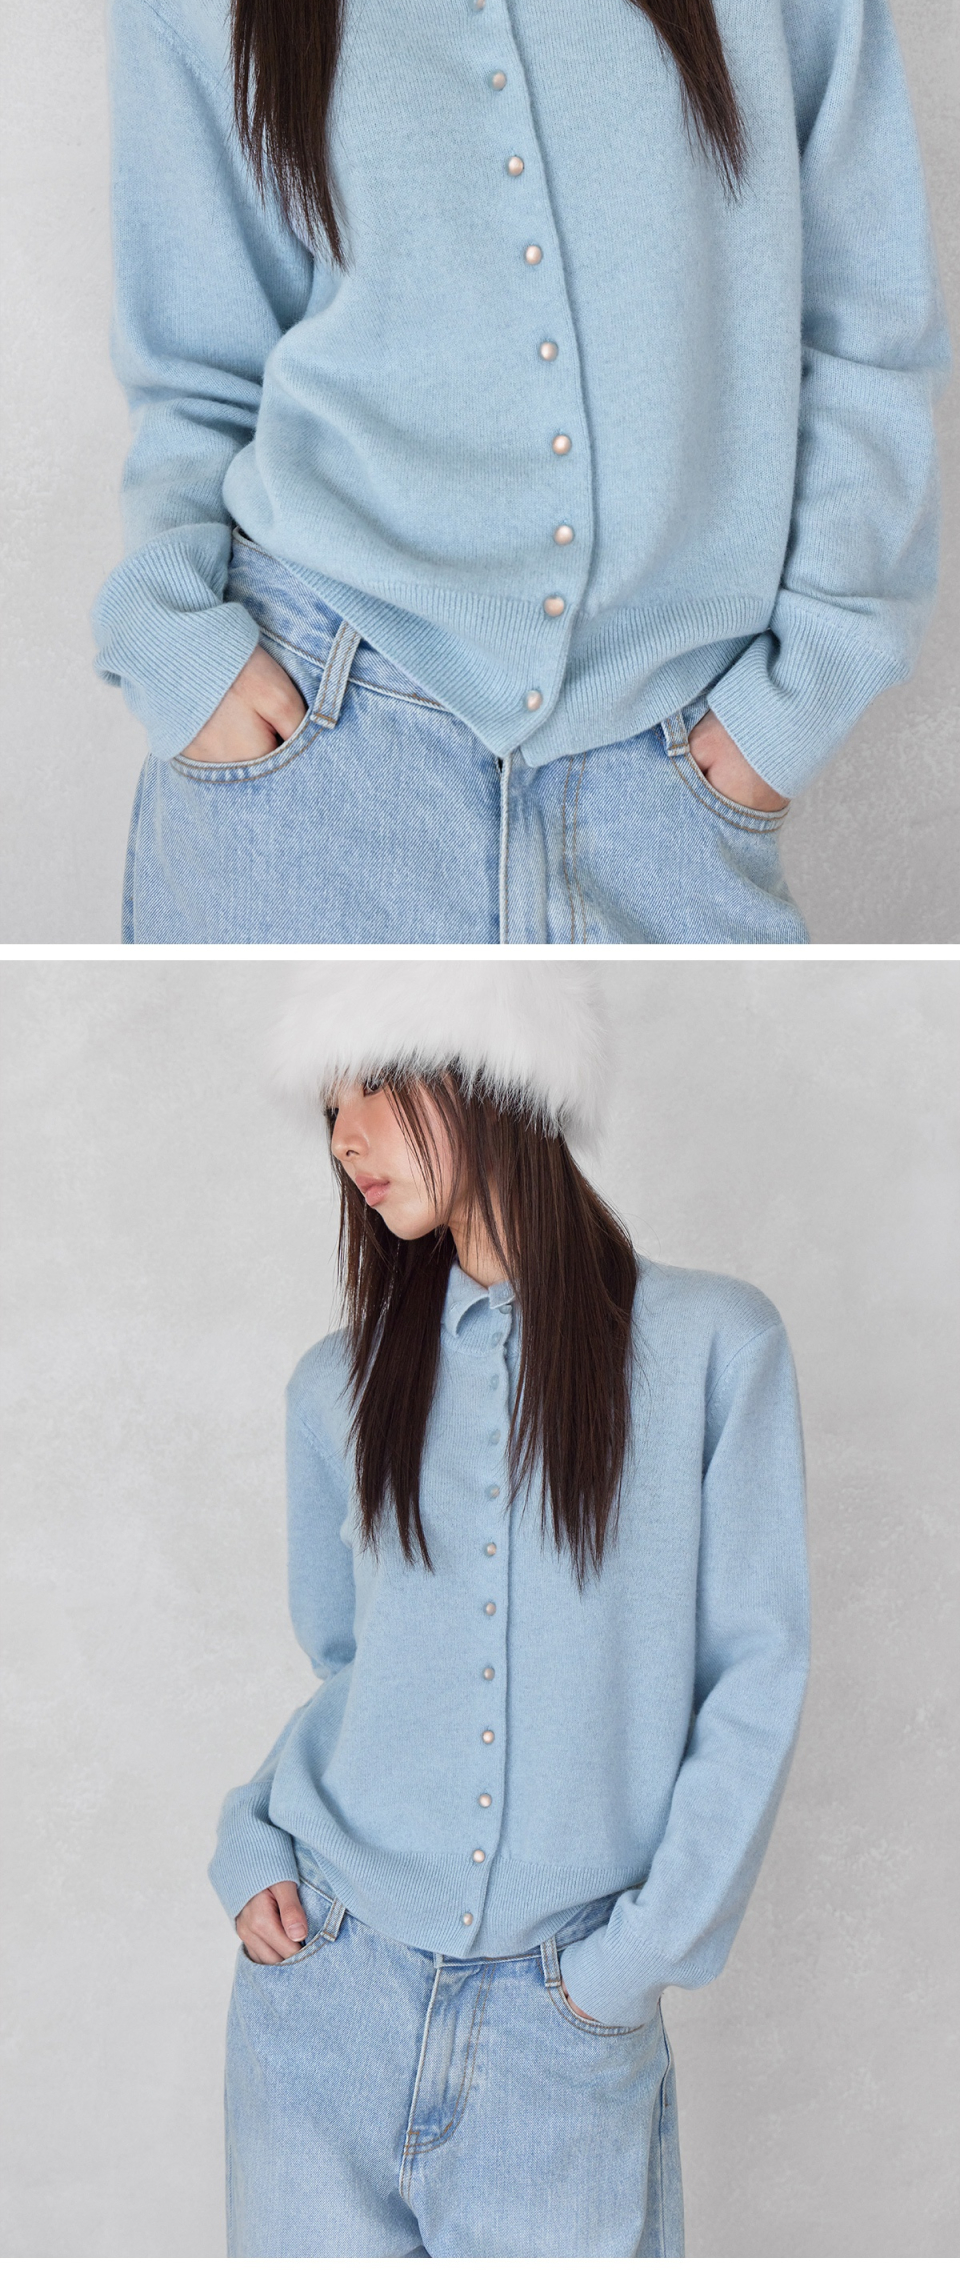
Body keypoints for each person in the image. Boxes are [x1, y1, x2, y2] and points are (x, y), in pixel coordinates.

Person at [99, 0, 946, 947]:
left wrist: (804, 689)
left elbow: (868, 299)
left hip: (671, 783)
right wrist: (180, 649)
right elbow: (197, 384)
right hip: (308, 758)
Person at [212, 958, 810, 2258]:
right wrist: (252, 1842)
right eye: (329, 1107)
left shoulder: (714, 1348)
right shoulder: (336, 1390)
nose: (347, 1138)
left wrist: (625, 1969)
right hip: (323, 1994)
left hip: (562, 2034)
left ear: (495, 1068)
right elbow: (356, 1675)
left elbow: (755, 1678)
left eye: (377, 1085)